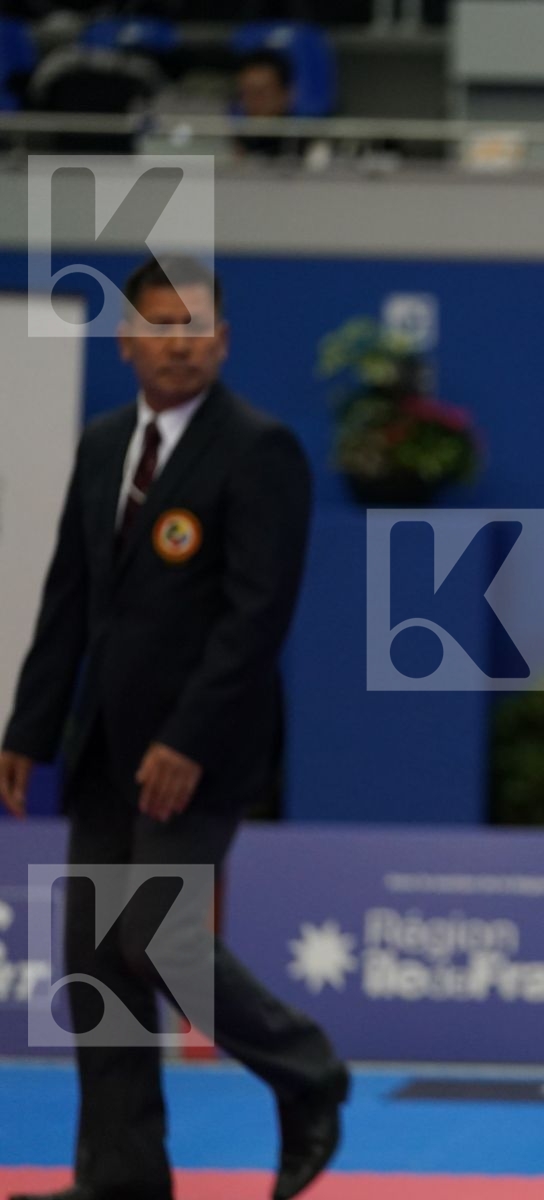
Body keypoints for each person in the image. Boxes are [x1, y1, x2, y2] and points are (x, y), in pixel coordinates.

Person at [0, 257, 349, 1200]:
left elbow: (257, 615)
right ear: (127, 340)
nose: (180, 341)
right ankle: (121, 1176)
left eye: (197, 327)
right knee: (94, 962)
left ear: (223, 341)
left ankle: (306, 1068)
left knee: (151, 933)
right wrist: (28, 726)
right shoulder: (103, 443)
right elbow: (70, 599)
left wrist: (189, 738)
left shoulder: (258, 449)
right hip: (106, 746)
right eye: (161, 324)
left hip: (206, 747)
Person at [234, 47, 299, 159]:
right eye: (247, 92)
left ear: (285, 94)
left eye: (262, 92)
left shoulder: (311, 151)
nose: (254, 100)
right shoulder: (228, 146)